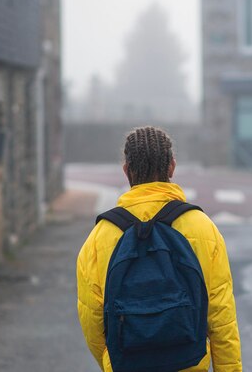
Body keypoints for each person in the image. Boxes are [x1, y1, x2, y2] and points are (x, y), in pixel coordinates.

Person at [76, 126, 242, 372]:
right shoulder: (202, 227)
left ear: (126, 171)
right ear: (171, 167)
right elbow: (221, 314)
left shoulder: (101, 236)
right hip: (189, 362)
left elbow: (92, 318)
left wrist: (111, 362)